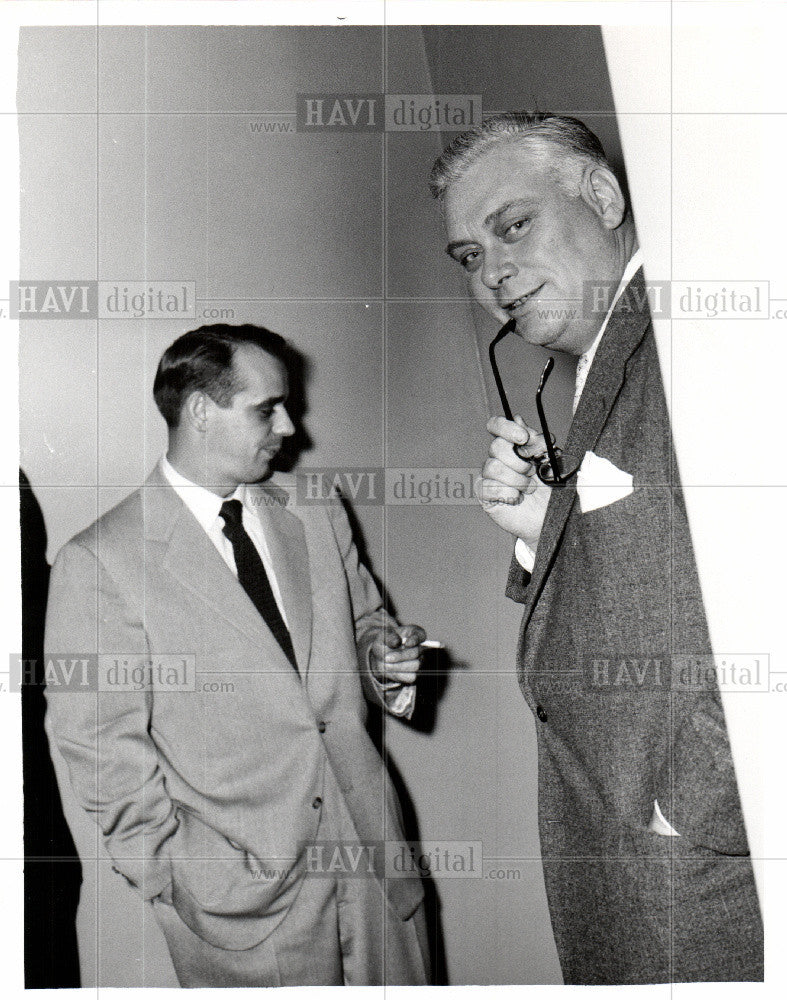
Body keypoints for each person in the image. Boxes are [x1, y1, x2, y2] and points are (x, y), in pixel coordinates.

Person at [429, 113, 763, 984]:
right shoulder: (603, 362)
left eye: (513, 226)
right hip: (624, 865)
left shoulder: (699, 332)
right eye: (469, 256)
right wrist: (548, 532)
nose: (494, 273)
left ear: (603, 196)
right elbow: (671, 567)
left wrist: (693, 809)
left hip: (700, 870)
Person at [44, 323, 431, 988]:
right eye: (266, 409)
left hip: (374, 862)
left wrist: (381, 655)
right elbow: (97, 745)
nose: (288, 426)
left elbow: (364, 621)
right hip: (239, 910)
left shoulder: (315, 511)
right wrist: (183, 876)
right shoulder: (100, 561)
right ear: (199, 411)